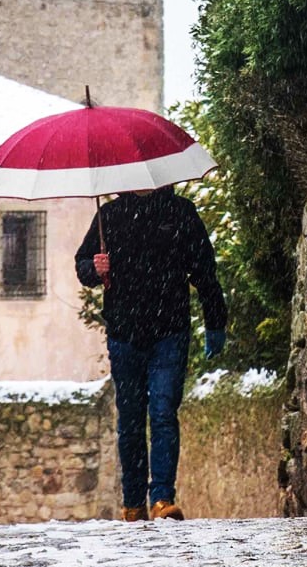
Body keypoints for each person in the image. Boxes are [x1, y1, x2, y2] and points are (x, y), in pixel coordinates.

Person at [74, 185, 226, 521]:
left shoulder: (180, 213)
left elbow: (204, 270)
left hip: (169, 332)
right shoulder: (109, 217)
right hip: (124, 335)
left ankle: (162, 498)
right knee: (130, 422)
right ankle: (132, 503)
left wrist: (216, 321)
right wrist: (94, 269)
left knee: (162, 413)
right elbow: (82, 266)